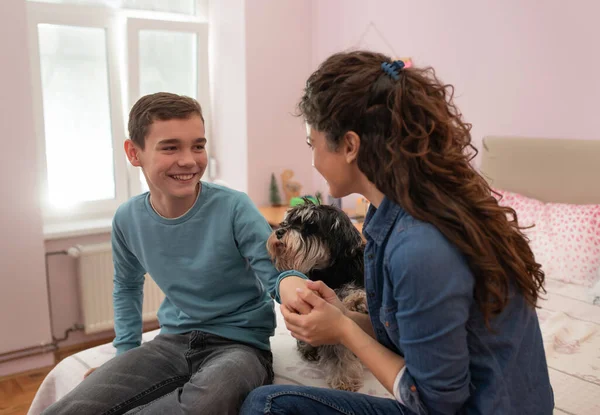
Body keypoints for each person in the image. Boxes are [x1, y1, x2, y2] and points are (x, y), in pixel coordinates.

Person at [241, 51, 554, 414]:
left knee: (267, 406)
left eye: (313, 145)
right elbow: (406, 336)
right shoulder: (392, 215)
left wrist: (344, 332)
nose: (312, 160)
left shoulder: (419, 246)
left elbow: (434, 403)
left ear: (349, 146)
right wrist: (341, 315)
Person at [43, 92, 284, 415]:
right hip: (172, 341)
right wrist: (125, 354)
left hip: (241, 346)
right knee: (74, 406)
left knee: (201, 404)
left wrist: (294, 286)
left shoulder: (234, 207)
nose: (189, 159)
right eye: (171, 147)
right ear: (134, 152)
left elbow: (277, 276)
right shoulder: (128, 218)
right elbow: (127, 286)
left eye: (198, 146)